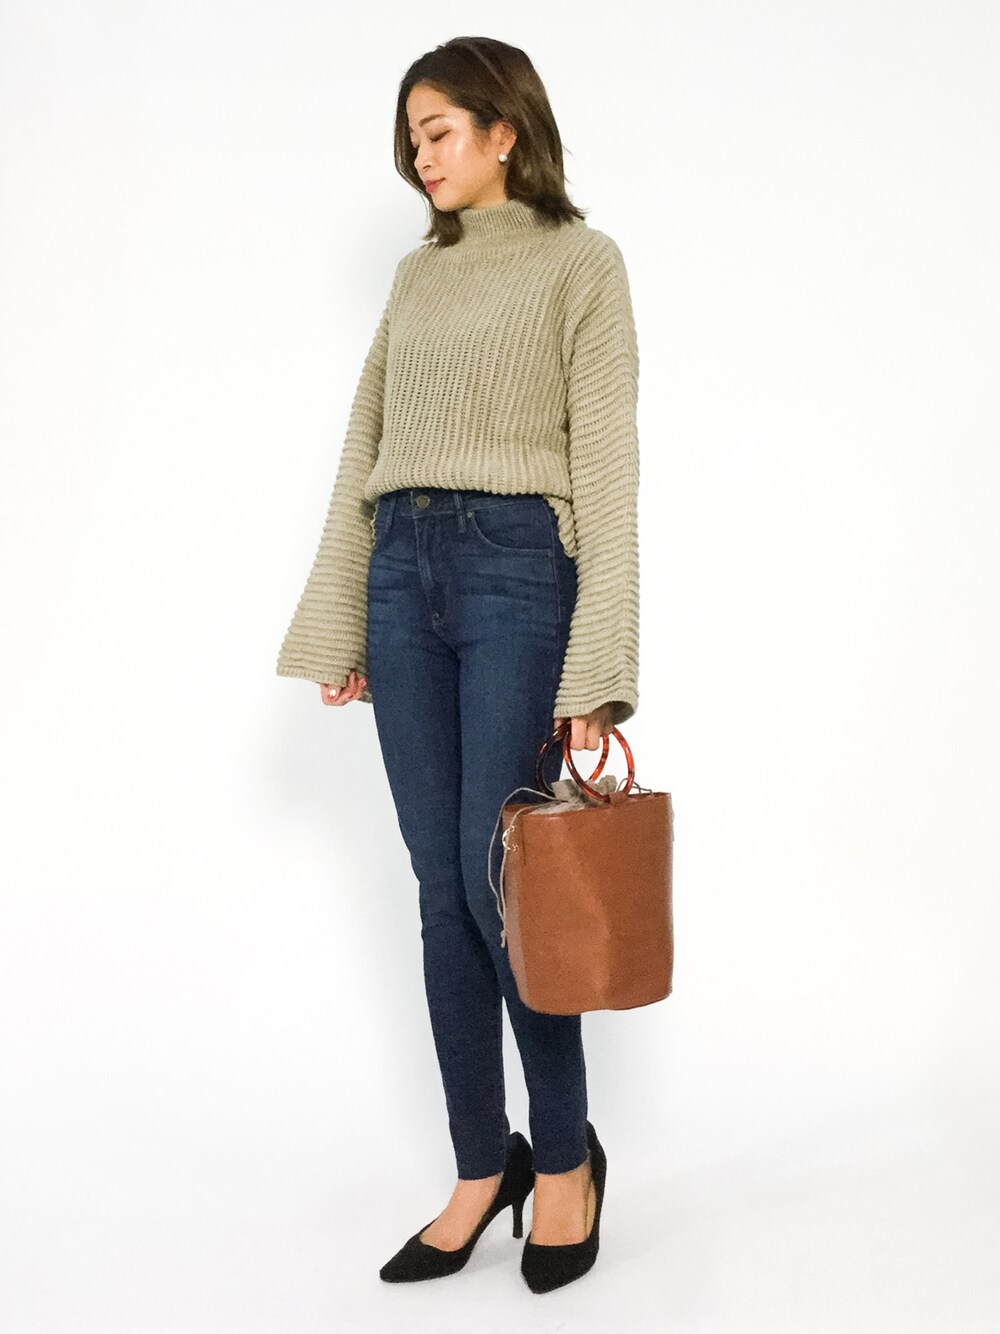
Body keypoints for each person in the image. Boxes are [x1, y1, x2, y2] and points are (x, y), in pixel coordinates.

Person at [275, 36, 639, 1293]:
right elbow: (361, 450)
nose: (418, 155)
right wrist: (340, 618)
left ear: (503, 129)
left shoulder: (582, 262)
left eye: (437, 131)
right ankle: (483, 1164)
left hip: (516, 574)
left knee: (505, 886)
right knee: (441, 888)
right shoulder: (414, 276)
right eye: (411, 136)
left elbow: (607, 468)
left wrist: (597, 665)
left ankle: (566, 1158)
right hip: (400, 574)